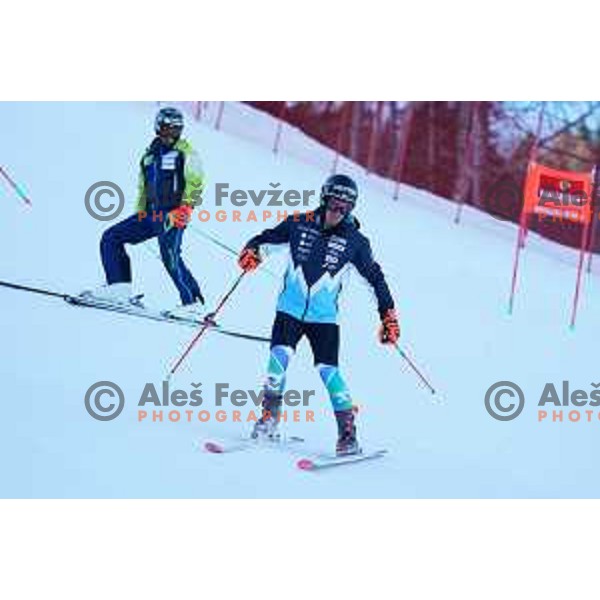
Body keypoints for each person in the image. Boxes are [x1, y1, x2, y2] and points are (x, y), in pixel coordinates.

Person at [238, 174, 400, 455]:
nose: (339, 210)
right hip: (289, 310)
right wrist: (252, 252)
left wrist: (388, 316)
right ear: (325, 198)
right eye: (336, 202)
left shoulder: (356, 242)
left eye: (346, 206)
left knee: (329, 372)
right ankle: (269, 419)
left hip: (324, 319)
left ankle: (348, 436)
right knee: (278, 361)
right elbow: (266, 240)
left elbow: (375, 279)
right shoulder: (297, 223)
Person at [85, 107, 206, 318]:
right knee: (112, 237)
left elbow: (196, 182)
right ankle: (119, 288)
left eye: (176, 130)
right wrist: (140, 213)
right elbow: (143, 187)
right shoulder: (148, 156)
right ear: (159, 128)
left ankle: (193, 304)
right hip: (150, 215)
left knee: (170, 257)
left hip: (173, 214)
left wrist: (186, 206)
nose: (171, 134)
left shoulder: (186, 152)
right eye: (168, 128)